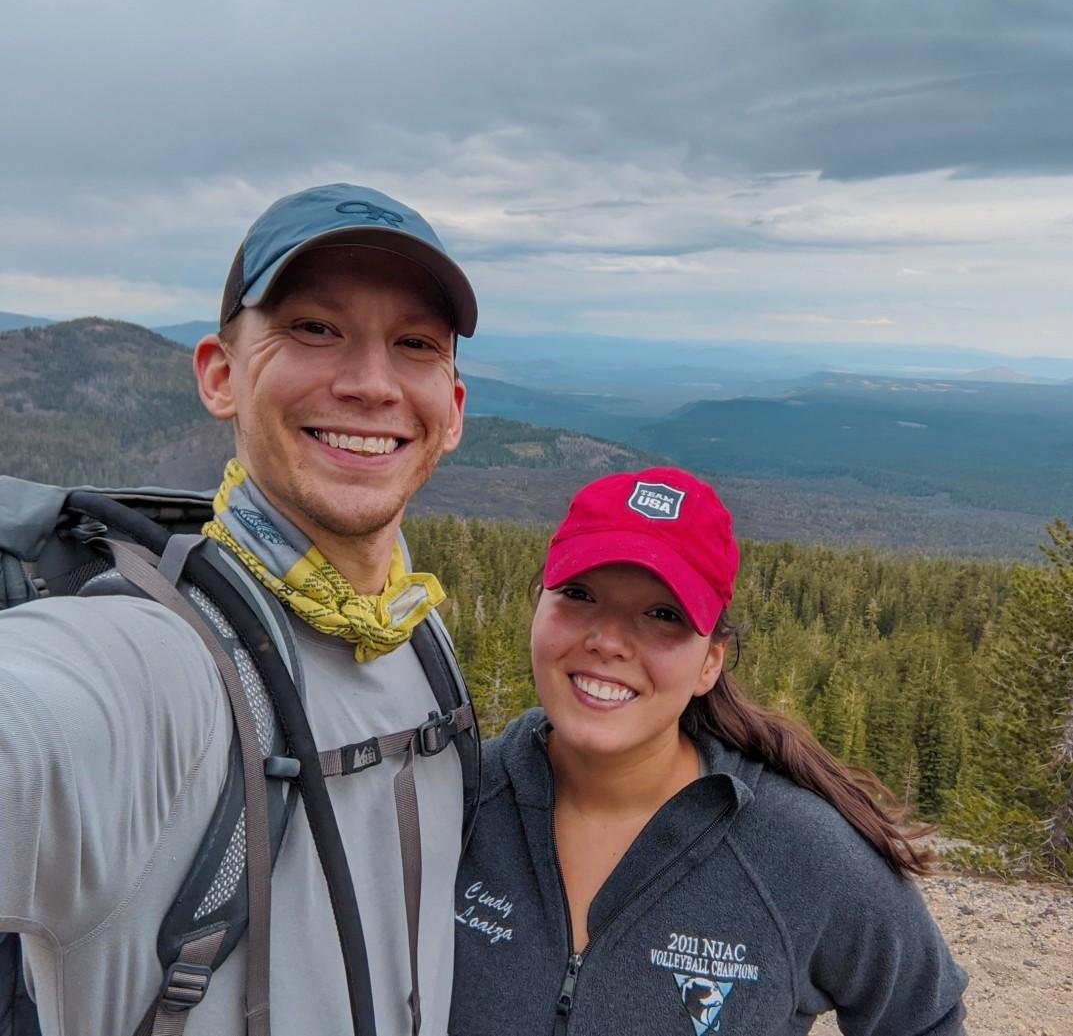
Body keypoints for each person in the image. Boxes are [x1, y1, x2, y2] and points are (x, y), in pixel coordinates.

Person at [1, 183, 477, 1036]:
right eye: (314, 328)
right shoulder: (154, 663)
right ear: (220, 375)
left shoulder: (421, 642)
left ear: (453, 411)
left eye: (414, 344)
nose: (372, 383)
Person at [452, 467, 968, 1036]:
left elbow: (927, 1017)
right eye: (579, 595)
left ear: (710, 662)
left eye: (663, 615)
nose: (607, 641)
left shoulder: (799, 855)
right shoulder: (453, 801)